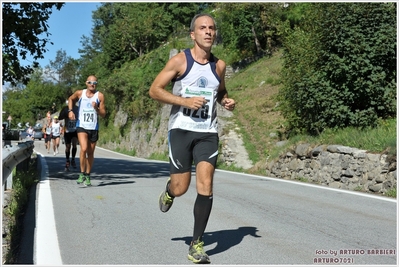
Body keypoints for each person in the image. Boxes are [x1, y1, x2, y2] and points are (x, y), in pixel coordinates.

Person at [149, 14, 236, 264]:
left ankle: (196, 244)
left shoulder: (219, 66)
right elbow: (154, 90)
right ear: (193, 34)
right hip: (181, 130)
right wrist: (184, 101)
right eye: (202, 28)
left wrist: (225, 100)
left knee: (206, 185)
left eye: (211, 28)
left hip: (207, 132)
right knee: (181, 187)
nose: (208, 32)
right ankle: (169, 191)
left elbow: (219, 91)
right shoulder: (179, 61)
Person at [67, 75, 106, 186]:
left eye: (94, 82)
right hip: (82, 126)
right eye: (90, 82)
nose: (92, 84)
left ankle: (88, 175)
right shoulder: (80, 93)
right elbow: (71, 99)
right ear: (86, 83)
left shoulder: (100, 96)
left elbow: (103, 114)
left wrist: (96, 108)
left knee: (90, 153)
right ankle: (82, 173)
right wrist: (70, 110)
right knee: (83, 148)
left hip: (93, 127)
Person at [59, 100, 79, 171]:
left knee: (74, 144)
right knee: (68, 146)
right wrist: (64, 113)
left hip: (75, 129)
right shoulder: (65, 109)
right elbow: (60, 117)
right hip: (67, 130)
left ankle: (73, 159)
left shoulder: (77, 108)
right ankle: (67, 160)